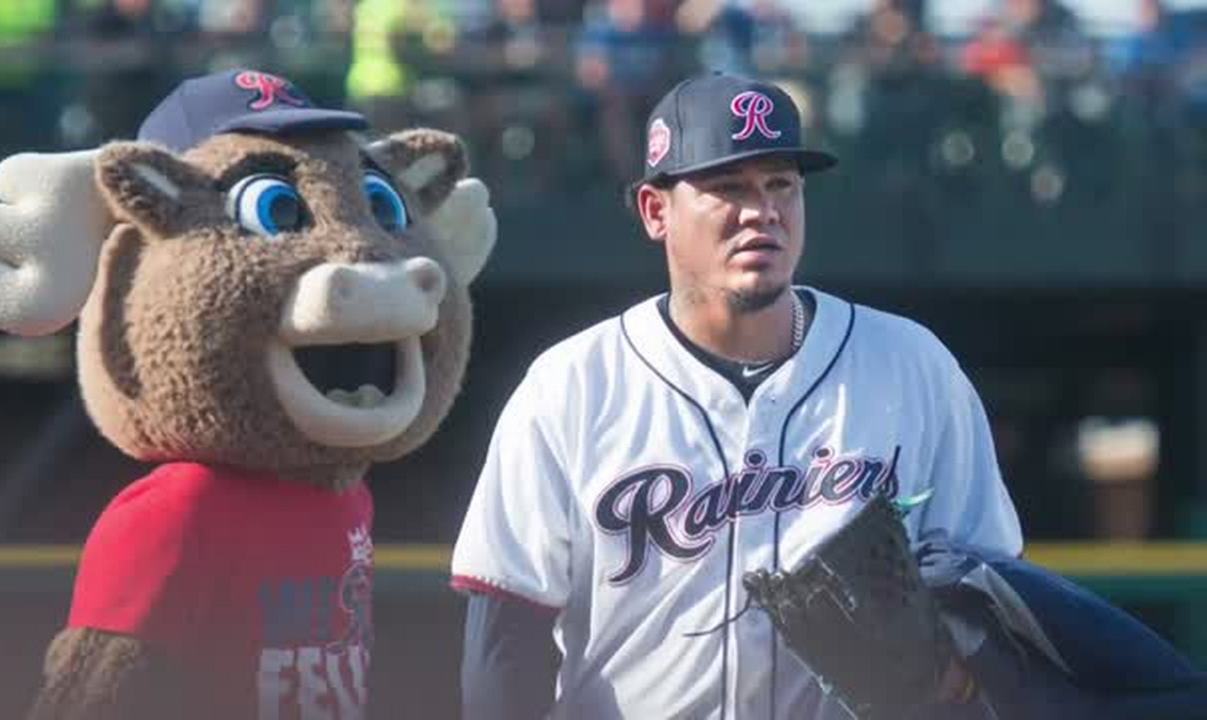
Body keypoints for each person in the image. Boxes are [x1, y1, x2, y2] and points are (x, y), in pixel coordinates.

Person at [448, 72, 1203, 719]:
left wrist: (947, 673)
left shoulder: (911, 365)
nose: (762, 211)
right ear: (656, 211)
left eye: (781, 185)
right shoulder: (571, 386)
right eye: (727, 187)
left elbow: (992, 607)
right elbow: (504, 636)